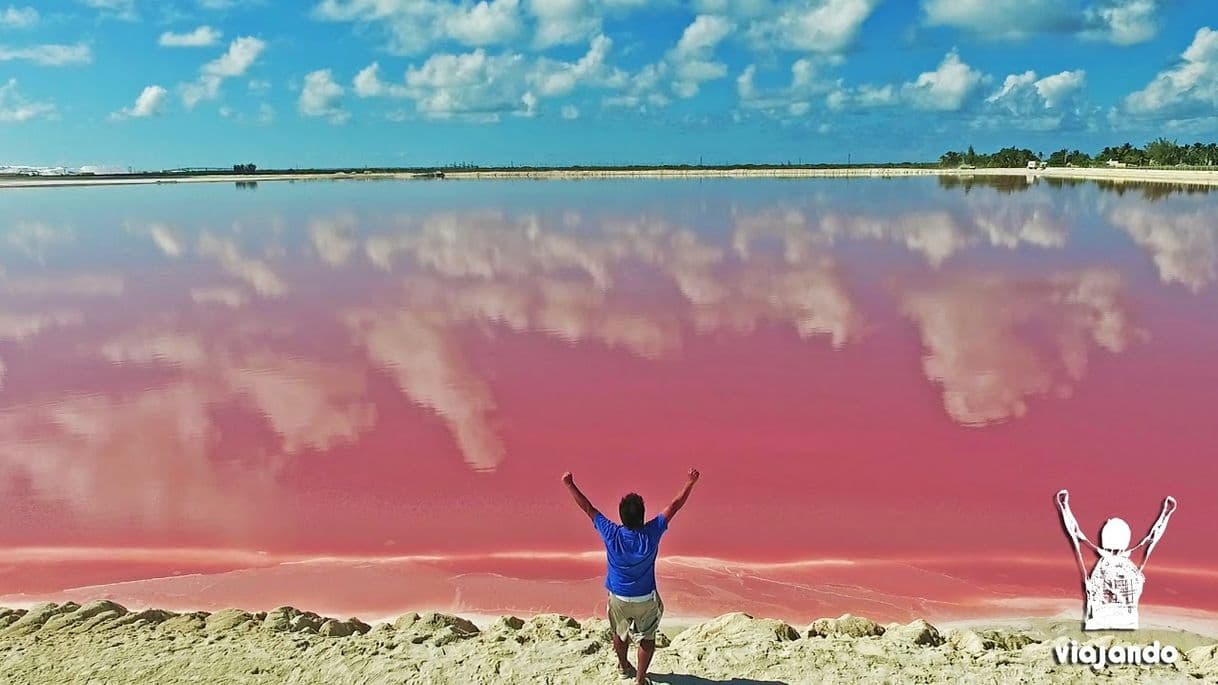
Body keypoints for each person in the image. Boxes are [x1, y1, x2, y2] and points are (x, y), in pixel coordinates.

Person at [561, 468, 700, 684]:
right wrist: (690, 482)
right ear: (643, 516)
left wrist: (569, 484)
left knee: (620, 632)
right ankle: (640, 679)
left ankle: (624, 666)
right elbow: (674, 506)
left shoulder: (611, 532)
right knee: (647, 637)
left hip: (618, 597)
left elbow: (589, 509)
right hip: (645, 598)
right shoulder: (651, 532)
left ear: (621, 516)